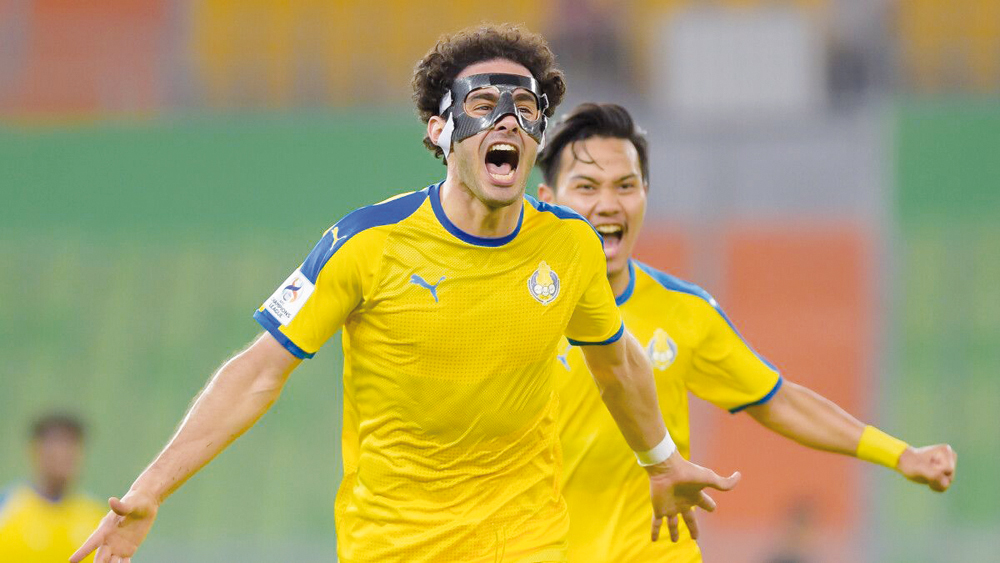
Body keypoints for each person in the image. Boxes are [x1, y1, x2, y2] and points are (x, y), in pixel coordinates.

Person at [70, 26, 740, 563]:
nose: (508, 122)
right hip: (392, 546)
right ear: (439, 131)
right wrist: (150, 489)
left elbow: (615, 361)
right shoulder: (367, 243)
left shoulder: (570, 245)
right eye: (484, 106)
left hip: (525, 540)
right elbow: (257, 372)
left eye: (526, 109)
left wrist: (660, 460)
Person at [535, 102, 958, 562]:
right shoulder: (519, 309)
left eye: (625, 185)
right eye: (587, 187)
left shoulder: (685, 311)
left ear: (645, 193)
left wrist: (899, 454)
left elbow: (778, 400)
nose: (608, 203)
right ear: (548, 199)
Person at [0, 413, 105, 563]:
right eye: (56, 443)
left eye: (71, 444)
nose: (63, 452)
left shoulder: (98, 519)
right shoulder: (6, 509)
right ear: (35, 449)